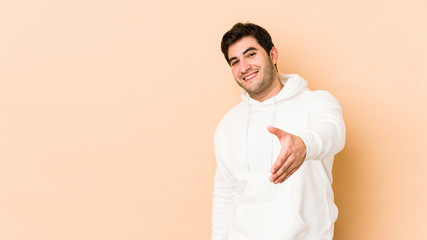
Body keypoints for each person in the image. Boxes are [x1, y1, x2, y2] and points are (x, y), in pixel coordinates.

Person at [211, 22, 346, 240]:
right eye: (235, 62)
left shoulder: (315, 102)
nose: (244, 67)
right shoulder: (228, 124)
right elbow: (225, 195)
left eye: (251, 54)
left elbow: (333, 132)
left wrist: (305, 144)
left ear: (272, 54)